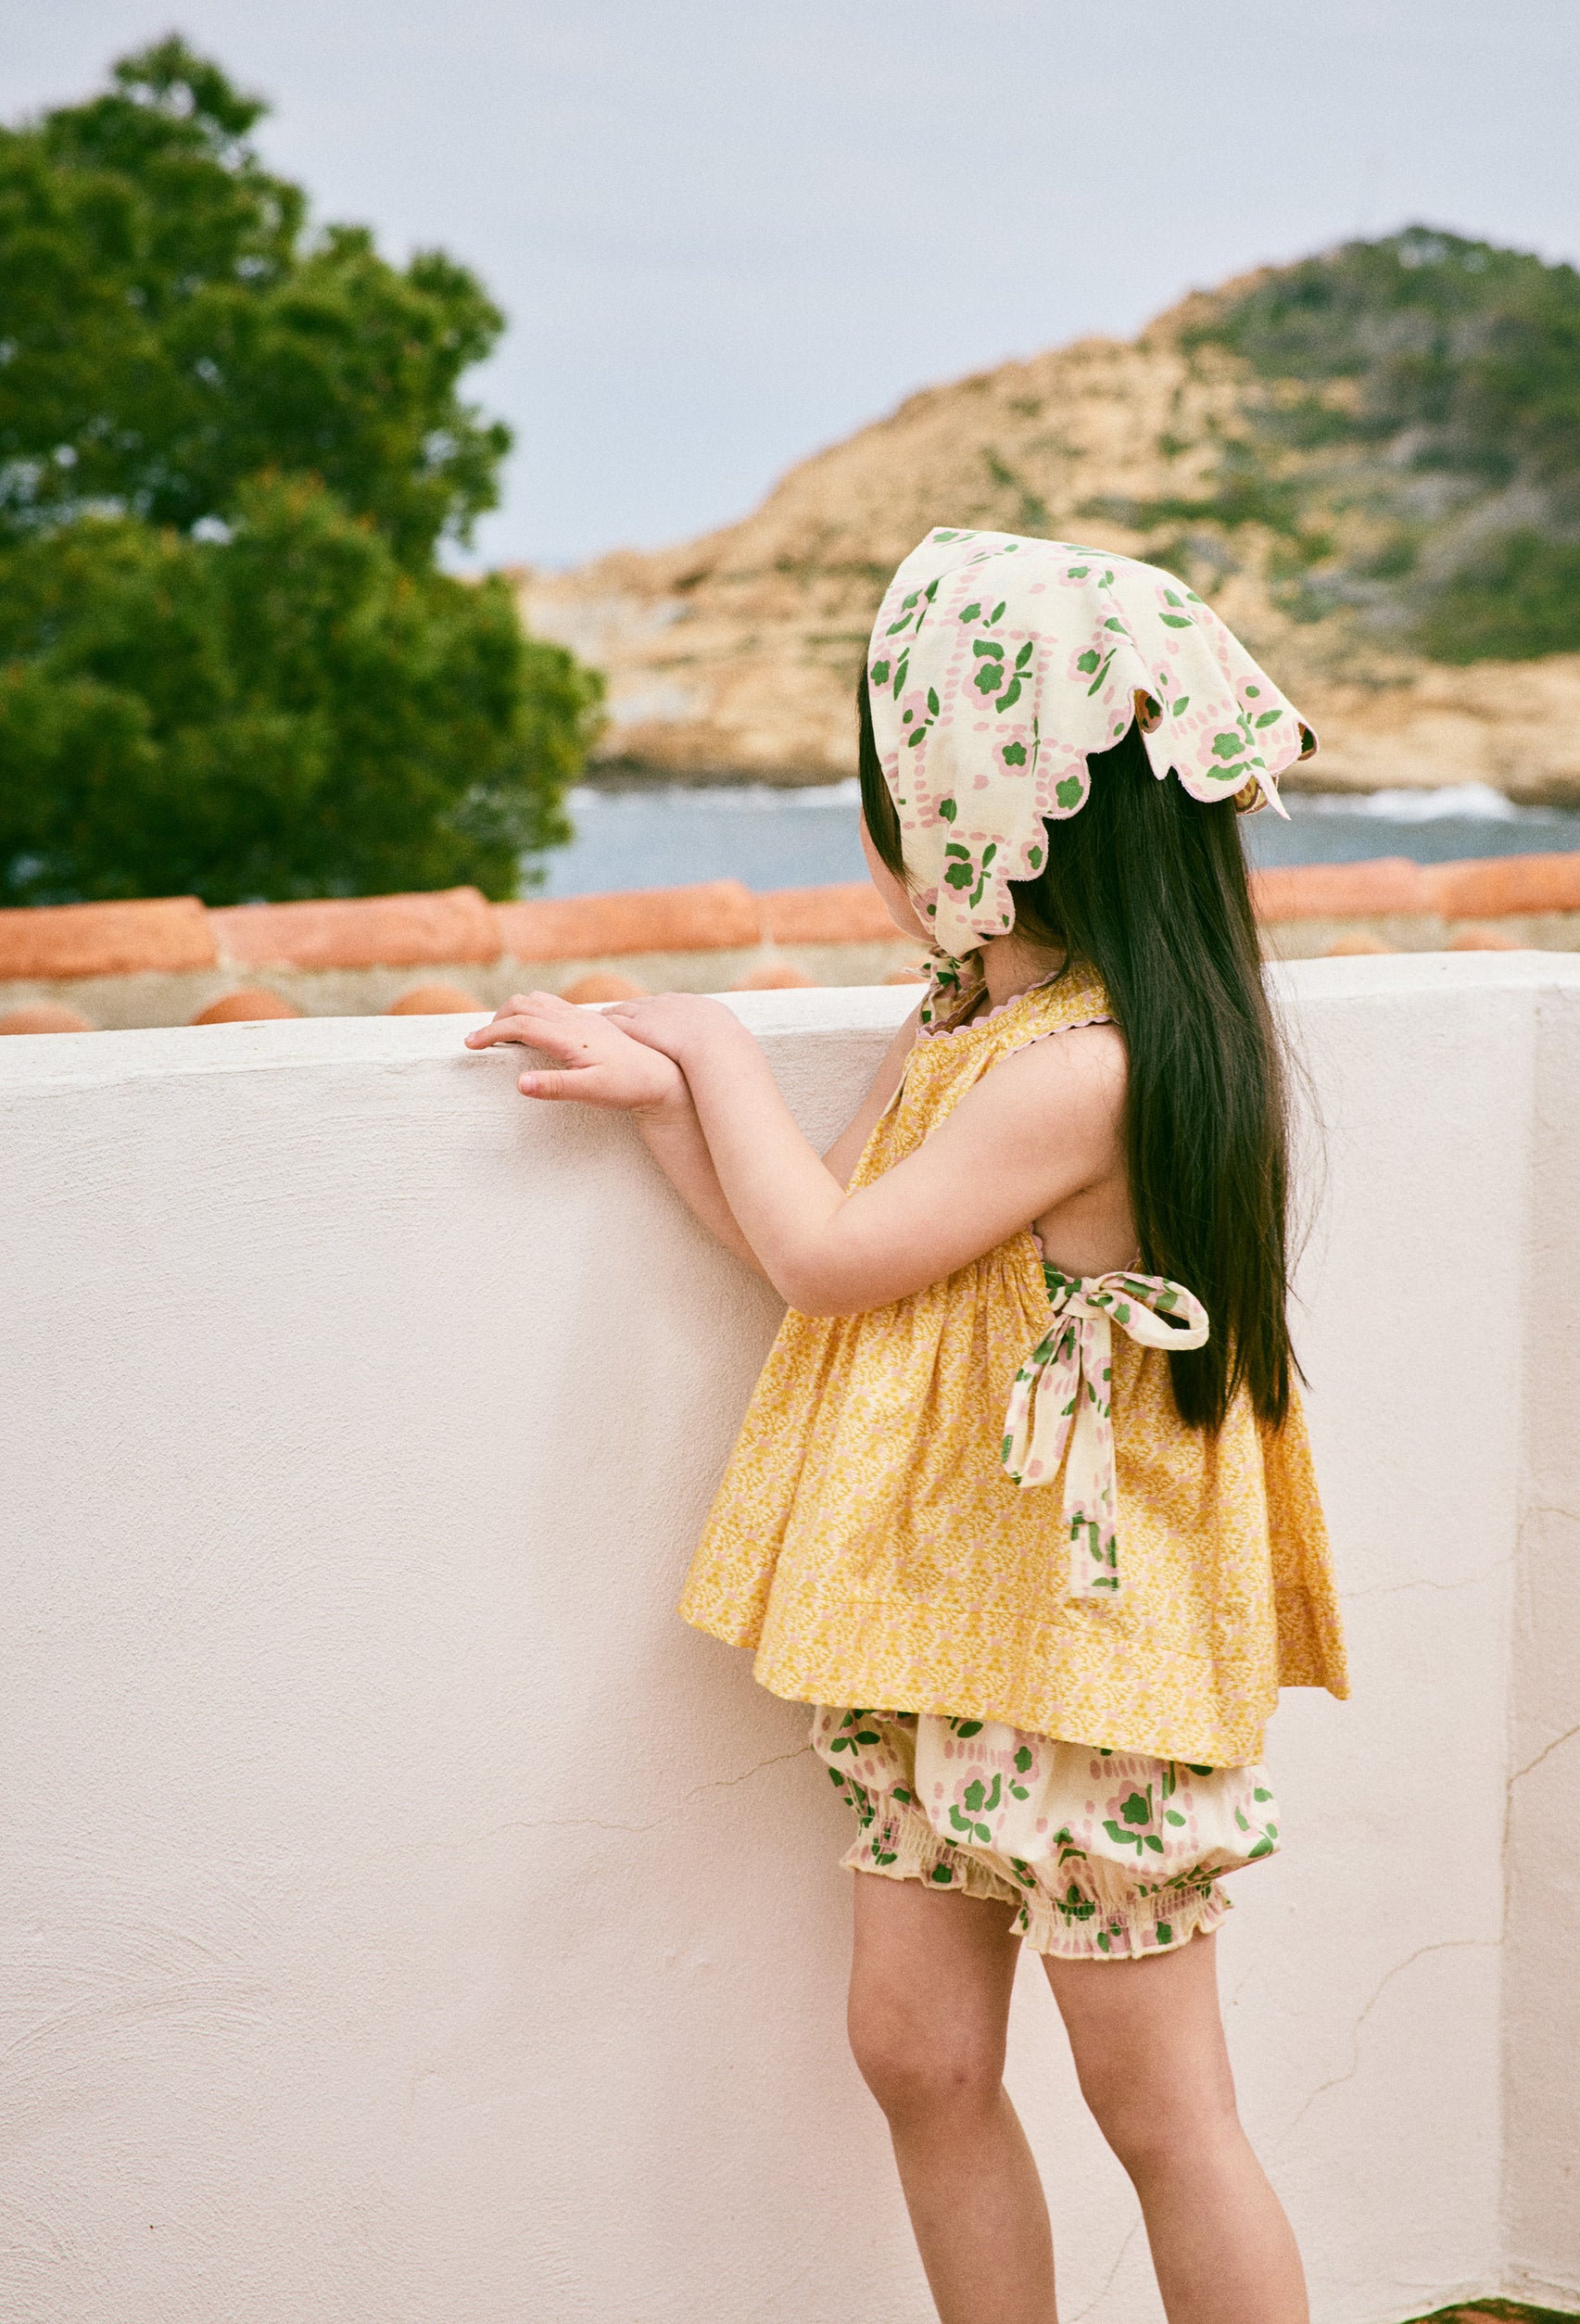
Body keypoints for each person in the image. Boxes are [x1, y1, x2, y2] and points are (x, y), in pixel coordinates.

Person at [467, 528, 1348, 2324]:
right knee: (916, 2053)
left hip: (1090, 1668)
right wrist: (666, 1106)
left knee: (1158, 2107)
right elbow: (826, 1247)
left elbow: (829, 1253)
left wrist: (715, 1046)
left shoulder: (1086, 1067)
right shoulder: (972, 1019)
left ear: (974, 810)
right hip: (944, 1630)